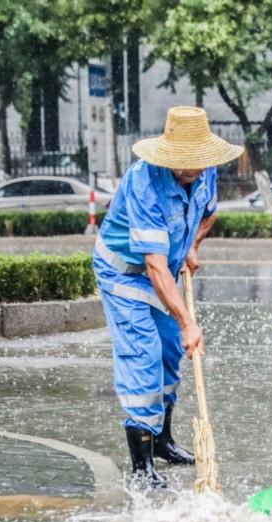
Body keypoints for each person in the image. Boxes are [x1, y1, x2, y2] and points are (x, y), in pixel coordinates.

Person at [93, 106, 243, 487]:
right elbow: (155, 266)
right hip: (125, 274)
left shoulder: (206, 171)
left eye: (197, 160)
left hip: (165, 273)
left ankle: (162, 440)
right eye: (183, 161)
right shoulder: (144, 183)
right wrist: (188, 322)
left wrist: (193, 244)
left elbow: (208, 213)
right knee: (143, 355)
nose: (191, 168)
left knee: (171, 352)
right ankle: (142, 466)